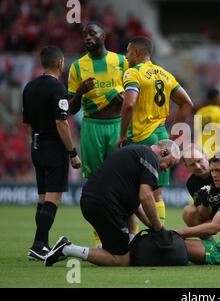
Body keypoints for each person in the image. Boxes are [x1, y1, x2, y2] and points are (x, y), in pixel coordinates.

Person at [44, 140, 180, 267]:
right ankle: (67, 249)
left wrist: (150, 224)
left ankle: (108, 248)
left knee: (122, 247)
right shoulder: (150, 158)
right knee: (121, 259)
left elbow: (135, 205)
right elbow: (146, 197)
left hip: (95, 202)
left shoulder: (137, 152)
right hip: (105, 205)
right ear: (164, 153)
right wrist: (159, 229)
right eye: (169, 164)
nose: (166, 169)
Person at [67, 23, 133, 247]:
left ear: (104, 35)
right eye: (84, 34)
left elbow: (137, 93)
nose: (87, 37)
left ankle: (129, 233)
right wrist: (80, 92)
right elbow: (70, 109)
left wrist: (125, 98)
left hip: (118, 126)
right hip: (92, 127)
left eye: (92, 33)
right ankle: (100, 238)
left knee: (125, 180)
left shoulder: (122, 61)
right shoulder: (77, 67)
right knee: (94, 183)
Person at [118, 36, 194, 226]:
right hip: (161, 136)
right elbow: (187, 104)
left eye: (128, 51)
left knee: (133, 191)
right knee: (157, 192)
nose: (125, 56)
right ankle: (160, 238)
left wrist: (121, 135)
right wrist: (172, 139)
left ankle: (132, 238)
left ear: (136, 52)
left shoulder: (133, 73)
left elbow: (129, 105)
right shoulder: (165, 74)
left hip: (141, 137)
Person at [23, 46, 81, 261]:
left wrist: (35, 143)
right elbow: (61, 122)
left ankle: (42, 243)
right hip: (53, 148)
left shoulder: (29, 87)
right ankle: (39, 245)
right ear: (60, 64)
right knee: (53, 199)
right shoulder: (57, 88)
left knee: (42, 198)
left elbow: (27, 123)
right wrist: (72, 152)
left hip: (36, 146)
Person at [194, 88, 220, 158]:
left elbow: (197, 133)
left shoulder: (200, 112)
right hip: (215, 152)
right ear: (216, 98)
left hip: (201, 152)